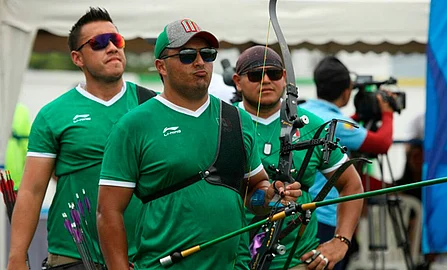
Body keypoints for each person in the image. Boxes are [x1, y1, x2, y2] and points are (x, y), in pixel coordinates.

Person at [96, 19, 302, 270]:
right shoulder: (133, 125)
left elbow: (254, 190)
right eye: (186, 55)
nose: (199, 62)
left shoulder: (237, 119)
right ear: (161, 66)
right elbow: (108, 211)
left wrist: (271, 197)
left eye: (207, 54)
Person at [7, 7, 154, 270]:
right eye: (98, 43)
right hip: (72, 257)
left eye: (116, 40)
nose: (111, 48)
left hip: (142, 255)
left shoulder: (152, 106)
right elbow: (32, 190)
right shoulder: (54, 114)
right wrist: (17, 257)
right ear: (78, 58)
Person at [232, 46, 364, 270]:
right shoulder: (224, 123)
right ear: (237, 81)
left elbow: (351, 185)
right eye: (255, 75)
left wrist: (341, 242)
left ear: (284, 77)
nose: (266, 80)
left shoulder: (310, 125)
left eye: (273, 73)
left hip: (296, 260)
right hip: (233, 259)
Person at [300, 56, 395, 269]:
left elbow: (345, 128)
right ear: (346, 91)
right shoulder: (339, 124)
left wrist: (359, 115)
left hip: (303, 214)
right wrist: (388, 114)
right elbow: (381, 143)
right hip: (327, 218)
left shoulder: (307, 112)